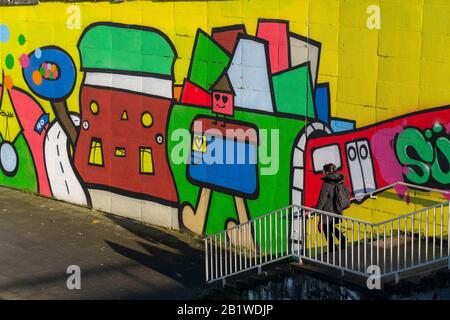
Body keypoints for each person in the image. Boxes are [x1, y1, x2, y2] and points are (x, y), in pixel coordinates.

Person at [316, 163, 347, 253]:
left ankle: (332, 247)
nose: (323, 173)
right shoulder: (340, 180)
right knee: (330, 227)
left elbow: (322, 199)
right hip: (337, 209)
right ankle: (343, 240)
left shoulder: (326, 183)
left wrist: (317, 211)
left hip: (327, 210)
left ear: (327, 171)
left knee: (326, 229)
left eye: (324, 171)